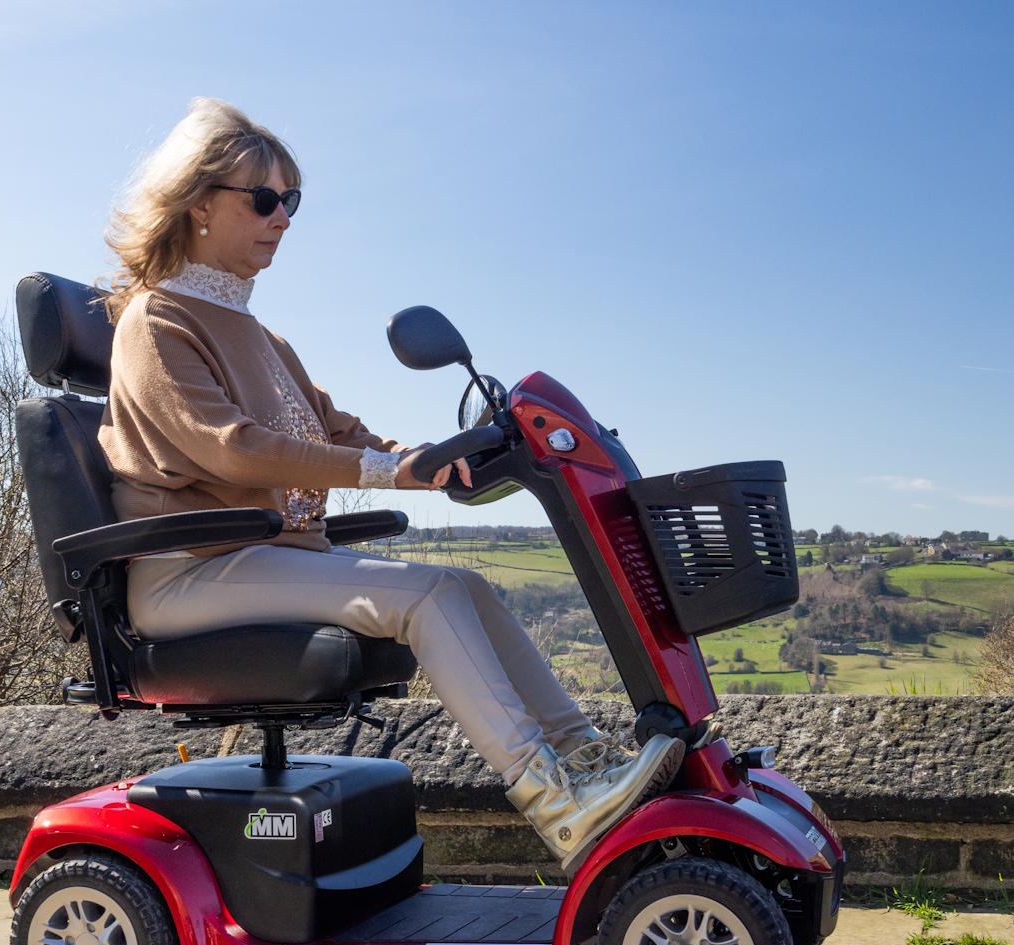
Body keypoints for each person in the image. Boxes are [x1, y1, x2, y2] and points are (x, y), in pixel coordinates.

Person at [96, 98, 684, 868]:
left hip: (271, 558)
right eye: (265, 199)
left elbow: (334, 432)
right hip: (192, 572)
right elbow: (232, 449)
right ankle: (556, 802)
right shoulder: (155, 322)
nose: (283, 218)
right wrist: (384, 472)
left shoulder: (261, 334)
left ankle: (586, 760)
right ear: (200, 204)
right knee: (426, 597)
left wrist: (426, 456)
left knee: (463, 584)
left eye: (292, 201)